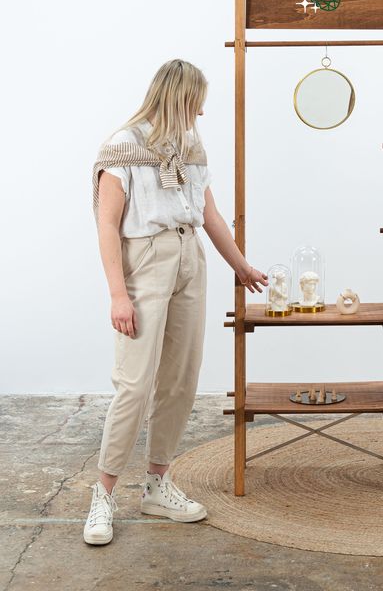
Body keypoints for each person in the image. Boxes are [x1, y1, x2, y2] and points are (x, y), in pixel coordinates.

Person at [86, 59, 268, 545]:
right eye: (196, 101)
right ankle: (103, 494)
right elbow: (107, 224)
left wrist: (241, 265)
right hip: (145, 260)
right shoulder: (123, 146)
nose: (202, 111)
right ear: (177, 97)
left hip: (191, 257)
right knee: (134, 384)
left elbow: (208, 214)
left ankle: (156, 486)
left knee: (181, 378)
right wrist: (118, 294)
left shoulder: (190, 146)